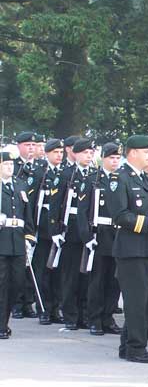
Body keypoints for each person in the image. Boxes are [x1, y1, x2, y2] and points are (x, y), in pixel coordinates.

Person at [106, 135, 148, 363]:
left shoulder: (147, 179)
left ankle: (127, 344)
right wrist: (147, 222)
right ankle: (136, 348)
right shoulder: (119, 178)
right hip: (132, 250)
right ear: (132, 153)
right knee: (136, 302)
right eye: (146, 152)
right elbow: (120, 215)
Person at [78, 142, 122, 336]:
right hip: (99, 234)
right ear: (103, 158)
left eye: (117, 158)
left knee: (115, 281)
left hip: (118, 234)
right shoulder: (92, 179)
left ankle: (108, 317)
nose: (115, 161)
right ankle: (94, 319)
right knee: (97, 280)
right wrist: (87, 237)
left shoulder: (122, 179)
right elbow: (82, 212)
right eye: (111, 158)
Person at [53, 137, 95, 329]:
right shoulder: (66, 174)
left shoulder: (95, 175)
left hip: (89, 230)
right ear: (75, 154)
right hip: (70, 230)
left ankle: (84, 314)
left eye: (91, 153)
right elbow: (55, 205)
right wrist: (55, 230)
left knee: (86, 275)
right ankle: (70, 315)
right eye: (85, 152)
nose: (88, 156)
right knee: (70, 275)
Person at [0, 150, 36, 338]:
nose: (9, 167)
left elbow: (27, 215)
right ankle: (1, 325)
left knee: (16, 283)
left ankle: (4, 320)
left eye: (11, 165)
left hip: (17, 242)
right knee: (2, 284)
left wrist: (29, 238)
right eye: (5, 165)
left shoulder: (20, 185)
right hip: (2, 242)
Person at [31, 139, 65, 325]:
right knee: (43, 270)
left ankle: (55, 308)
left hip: (59, 228)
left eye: (61, 152)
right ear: (47, 154)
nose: (59, 155)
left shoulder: (64, 173)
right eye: (55, 152)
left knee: (56, 271)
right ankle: (43, 308)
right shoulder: (39, 173)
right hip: (43, 229)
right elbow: (32, 204)